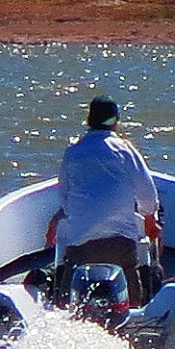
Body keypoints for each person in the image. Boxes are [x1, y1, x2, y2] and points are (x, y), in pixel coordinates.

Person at [55, 95, 163, 306]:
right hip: (120, 246)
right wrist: (150, 221)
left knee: (68, 297)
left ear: (89, 122)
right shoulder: (124, 149)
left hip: (80, 248)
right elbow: (148, 196)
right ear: (115, 121)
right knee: (131, 297)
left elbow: (65, 203)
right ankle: (135, 307)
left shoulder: (73, 153)